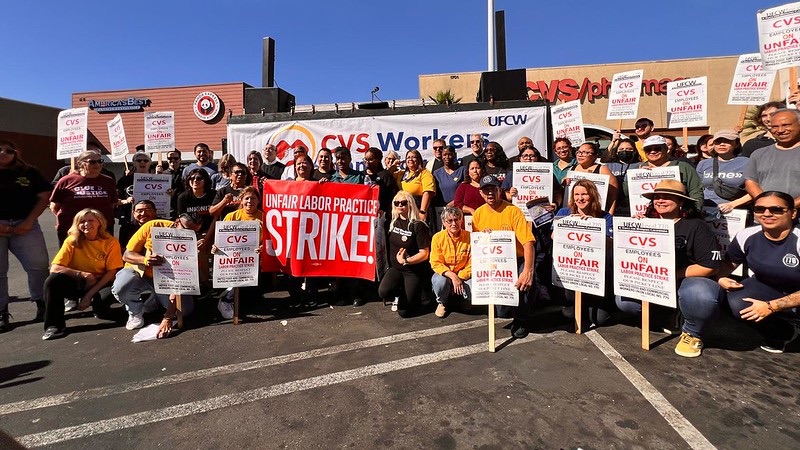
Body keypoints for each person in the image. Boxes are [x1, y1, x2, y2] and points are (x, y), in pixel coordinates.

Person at [615, 180, 722, 358]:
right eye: (657, 197)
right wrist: (633, 229)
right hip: (653, 281)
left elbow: (710, 266)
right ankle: (669, 317)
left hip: (685, 280)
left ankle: (693, 332)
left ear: (681, 202)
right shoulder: (645, 223)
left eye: (668, 197)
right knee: (624, 301)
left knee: (700, 295)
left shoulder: (696, 226)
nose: (660, 201)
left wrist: (670, 275)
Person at [719, 191, 800, 353]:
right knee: (734, 301)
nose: (767, 214)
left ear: (793, 213)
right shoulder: (747, 235)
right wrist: (720, 278)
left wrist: (771, 306)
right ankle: (780, 331)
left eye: (776, 209)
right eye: (760, 209)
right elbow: (727, 264)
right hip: (767, 287)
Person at [112, 213, 202, 334]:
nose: (190, 235)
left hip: (167, 278)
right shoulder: (153, 226)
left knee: (184, 310)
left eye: (194, 232)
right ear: (176, 222)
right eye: (187, 230)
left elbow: (181, 281)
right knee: (121, 287)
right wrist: (144, 260)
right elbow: (127, 255)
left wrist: (168, 317)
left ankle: (155, 299)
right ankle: (135, 311)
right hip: (140, 272)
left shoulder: (194, 242)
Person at [41, 209, 123, 340]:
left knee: (103, 309)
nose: (86, 224)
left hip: (100, 282)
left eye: (91, 220)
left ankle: (100, 308)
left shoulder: (110, 242)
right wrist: (83, 275)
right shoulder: (71, 241)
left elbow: (111, 272)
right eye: (82, 221)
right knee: (52, 281)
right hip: (78, 281)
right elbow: (55, 268)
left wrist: (88, 296)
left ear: (99, 223)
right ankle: (54, 326)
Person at [472, 175, 536, 338]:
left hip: (516, 259)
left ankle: (522, 319)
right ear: (481, 193)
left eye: (493, 189)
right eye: (486, 190)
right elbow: (477, 245)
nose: (490, 193)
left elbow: (528, 242)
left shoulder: (513, 211)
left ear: (500, 190)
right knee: (502, 311)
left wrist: (528, 270)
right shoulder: (478, 214)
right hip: (493, 262)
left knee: (526, 282)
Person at [0, 139, 50, 331]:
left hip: (26, 225)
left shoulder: (29, 172)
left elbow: (44, 196)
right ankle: (1, 312)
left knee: (38, 266)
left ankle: (43, 304)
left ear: (16, 153)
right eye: (0, 150)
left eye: (8, 150)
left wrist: (29, 221)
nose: (4, 153)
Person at [554, 180, 615, 327]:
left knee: (601, 320)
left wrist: (592, 226)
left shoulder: (605, 217)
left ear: (592, 195)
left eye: (584, 194)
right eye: (576, 194)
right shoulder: (564, 212)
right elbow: (553, 237)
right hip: (572, 271)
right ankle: (575, 304)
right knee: (569, 314)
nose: (580, 198)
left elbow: (610, 244)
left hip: (596, 274)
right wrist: (571, 223)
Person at [378, 191, 433, 317]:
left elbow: (424, 253)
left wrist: (407, 261)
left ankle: (419, 293)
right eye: (397, 203)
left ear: (410, 204)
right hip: (396, 269)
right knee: (383, 292)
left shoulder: (418, 225)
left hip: (412, 270)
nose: (400, 205)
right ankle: (401, 291)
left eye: (404, 203)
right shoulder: (392, 221)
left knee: (404, 313)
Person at [213, 186, 265, 320]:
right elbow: (221, 239)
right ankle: (226, 299)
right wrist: (216, 247)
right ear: (241, 200)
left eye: (253, 198)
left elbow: (269, 241)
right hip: (233, 261)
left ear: (258, 201)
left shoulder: (264, 217)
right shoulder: (232, 216)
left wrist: (262, 247)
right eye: (246, 198)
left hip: (255, 260)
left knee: (252, 299)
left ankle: (232, 292)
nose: (249, 201)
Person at [50, 150, 118, 245]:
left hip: (101, 229)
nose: (97, 165)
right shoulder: (66, 180)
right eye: (92, 162)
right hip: (72, 229)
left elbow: (112, 204)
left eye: (100, 161)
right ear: (80, 163)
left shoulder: (108, 181)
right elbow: (54, 206)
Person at [626, 135, 704, 207]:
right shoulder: (636, 168)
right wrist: (636, 176)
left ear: (666, 149)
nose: (652, 151)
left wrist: (693, 212)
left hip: (679, 217)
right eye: (648, 149)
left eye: (657, 148)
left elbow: (696, 192)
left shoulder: (683, 167)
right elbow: (626, 193)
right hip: (646, 219)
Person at [744, 109, 800, 209]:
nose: (780, 130)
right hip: (767, 216)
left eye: (786, 125)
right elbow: (751, 182)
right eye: (775, 127)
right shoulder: (759, 154)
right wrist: (767, 206)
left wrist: (790, 207)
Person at [429, 207, 471, 318]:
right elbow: (435, 262)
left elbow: (473, 262)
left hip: (464, 275)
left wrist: (460, 277)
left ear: (461, 220)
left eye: (456, 219)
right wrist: (453, 276)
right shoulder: (437, 238)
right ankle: (442, 302)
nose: (454, 223)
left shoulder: (470, 237)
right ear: (443, 222)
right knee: (439, 282)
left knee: (473, 286)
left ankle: (465, 299)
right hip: (446, 274)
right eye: (449, 221)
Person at [695, 129, 750, 212]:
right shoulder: (703, 164)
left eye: (727, 141)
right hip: (707, 210)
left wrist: (732, 204)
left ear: (737, 144)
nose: (722, 144)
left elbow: (756, 191)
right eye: (718, 142)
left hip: (736, 212)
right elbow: (696, 189)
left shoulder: (747, 162)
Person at [565, 142, 618, 214]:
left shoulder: (602, 169)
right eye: (579, 152)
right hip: (575, 213)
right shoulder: (572, 169)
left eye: (585, 152)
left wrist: (610, 213)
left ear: (594, 156)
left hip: (596, 213)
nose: (580, 155)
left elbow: (613, 194)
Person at [115, 150, 152, 240]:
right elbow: (115, 200)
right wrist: (126, 201)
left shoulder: (157, 179)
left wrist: (168, 194)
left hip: (150, 222)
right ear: (134, 163)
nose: (142, 162)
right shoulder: (124, 180)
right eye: (139, 160)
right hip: (129, 222)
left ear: (150, 163)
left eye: (145, 161)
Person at [394, 149, 435, 224]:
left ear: (419, 160)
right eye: (408, 157)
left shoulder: (425, 173)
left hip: (418, 206)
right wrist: (393, 166)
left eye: (413, 157)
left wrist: (422, 211)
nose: (410, 159)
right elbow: (387, 175)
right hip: (404, 207)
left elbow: (427, 192)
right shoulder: (401, 174)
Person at [605, 138, 640, 217]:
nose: (624, 151)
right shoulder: (608, 166)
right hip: (612, 207)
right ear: (617, 152)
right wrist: (613, 141)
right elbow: (604, 157)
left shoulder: (640, 165)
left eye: (628, 149)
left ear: (634, 151)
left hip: (632, 209)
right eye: (621, 149)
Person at [363, 147, 399, 215]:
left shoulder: (386, 175)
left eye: (370, 159)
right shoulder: (361, 175)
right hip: (364, 214)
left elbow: (393, 196)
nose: (367, 162)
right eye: (365, 159)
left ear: (378, 160)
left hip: (382, 215)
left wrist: (384, 209)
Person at [155, 148, 184, 219]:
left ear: (180, 159)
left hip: (182, 208)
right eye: (170, 158)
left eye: (176, 158)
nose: (173, 160)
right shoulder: (162, 174)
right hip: (166, 209)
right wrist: (156, 176)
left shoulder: (185, 173)